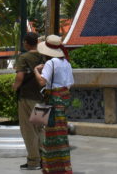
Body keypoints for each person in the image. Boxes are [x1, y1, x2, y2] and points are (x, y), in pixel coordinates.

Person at [34, 34, 73, 174]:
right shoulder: (66, 63)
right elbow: (69, 85)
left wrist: (35, 71)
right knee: (61, 134)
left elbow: (42, 82)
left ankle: (50, 168)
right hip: (62, 100)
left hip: (51, 100)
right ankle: (63, 167)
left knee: (48, 134)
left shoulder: (50, 63)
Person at [12, 32, 45, 171]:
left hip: (27, 97)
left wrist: (14, 88)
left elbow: (20, 77)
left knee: (28, 130)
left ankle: (33, 161)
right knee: (40, 129)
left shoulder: (24, 57)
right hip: (43, 97)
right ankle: (44, 159)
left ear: (26, 43)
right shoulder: (43, 56)